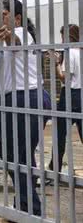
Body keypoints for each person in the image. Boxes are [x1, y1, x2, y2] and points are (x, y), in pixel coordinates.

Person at [0, 0, 51, 215]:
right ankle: (24, 205)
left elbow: (16, 41)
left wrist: (10, 35)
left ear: (17, 18)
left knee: (13, 155)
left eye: (5, 14)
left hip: (25, 98)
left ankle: (31, 208)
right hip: (16, 99)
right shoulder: (4, 43)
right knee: (19, 155)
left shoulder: (22, 33)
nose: (0, 17)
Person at [48, 24, 83, 171]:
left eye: (63, 36)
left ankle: (54, 168)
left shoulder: (70, 53)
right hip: (81, 94)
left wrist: (56, 63)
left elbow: (64, 78)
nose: (62, 40)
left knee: (60, 133)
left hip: (70, 94)